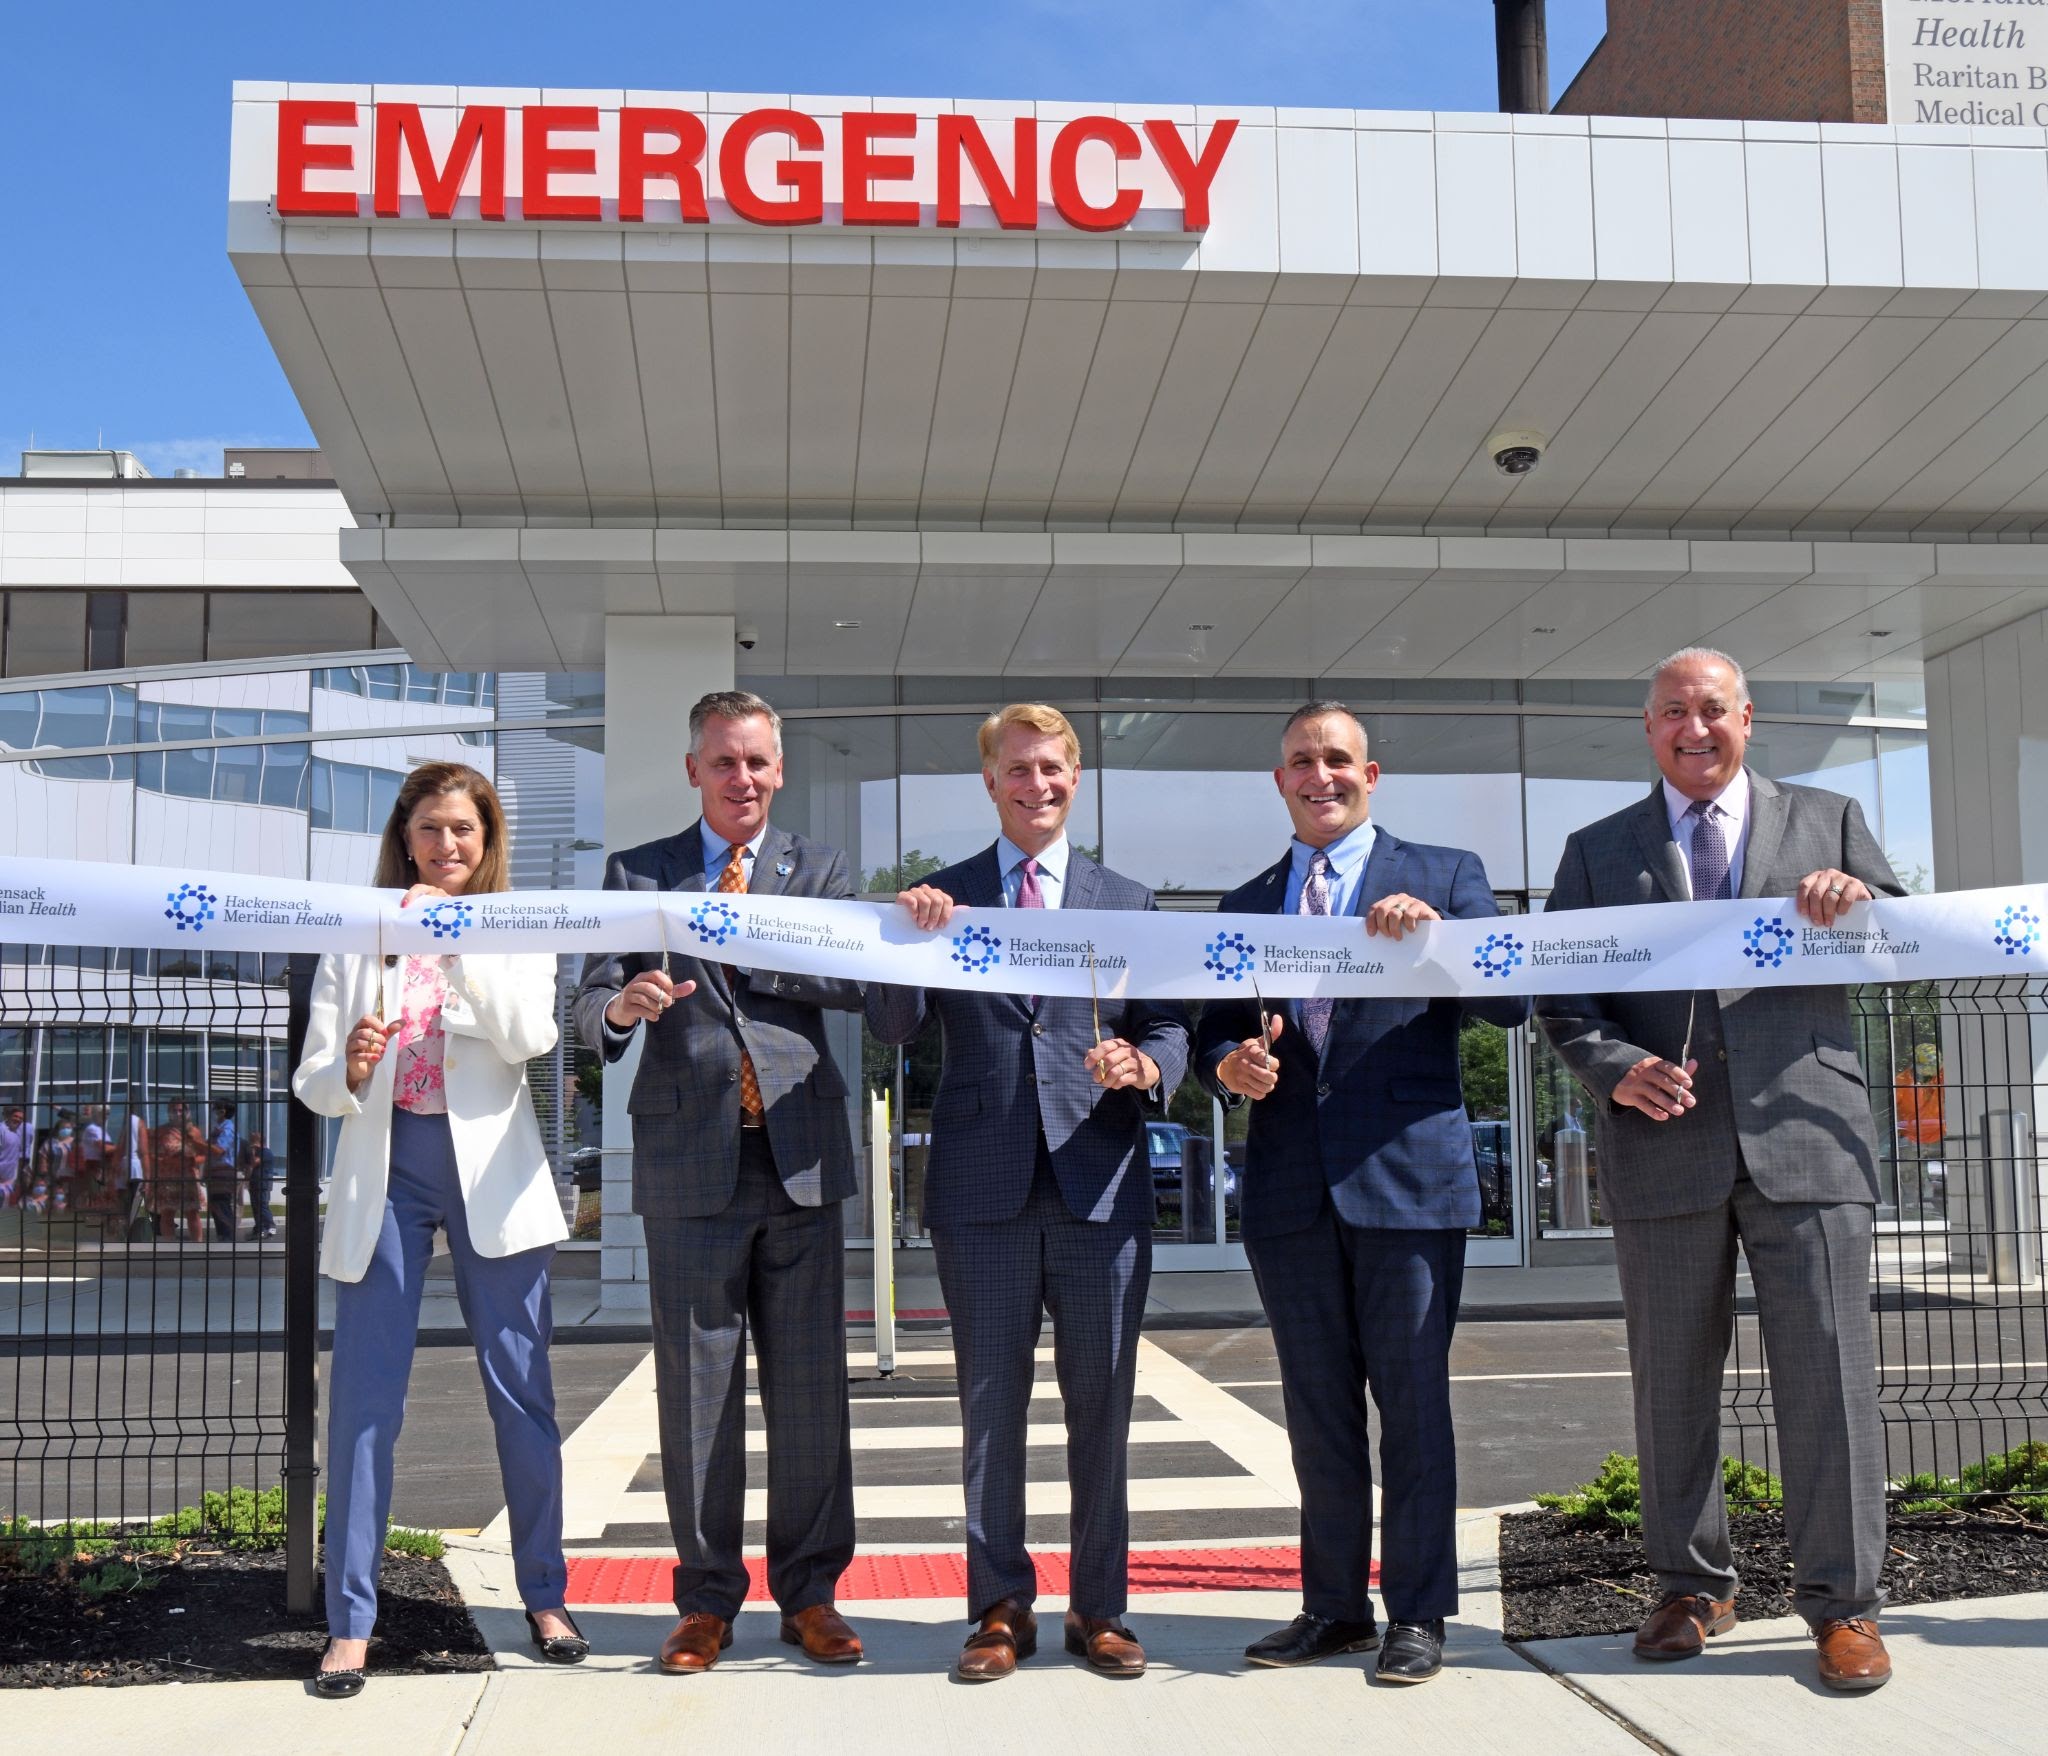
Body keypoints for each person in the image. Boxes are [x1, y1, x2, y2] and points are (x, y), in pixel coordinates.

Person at [1537, 646, 1902, 1693]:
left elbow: (1895, 934)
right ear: (1645, 729)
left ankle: (1842, 1607)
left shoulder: (1825, 819)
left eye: (1711, 709)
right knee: (1669, 1385)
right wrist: (1613, 1069)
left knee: (1829, 1383)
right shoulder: (1596, 849)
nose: (1691, 728)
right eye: (1669, 714)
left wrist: (1858, 898)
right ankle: (1686, 1587)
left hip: (1808, 1137)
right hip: (1662, 1146)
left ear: (1747, 717)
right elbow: (1561, 996)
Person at [1194, 703, 1525, 1685]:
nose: (1319, 774)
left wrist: (1436, 942)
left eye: (1336, 758)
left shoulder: (1444, 876)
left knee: (1412, 1404)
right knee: (1317, 1409)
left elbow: (1508, 1001)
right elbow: (1212, 1031)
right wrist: (1228, 1065)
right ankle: (1333, 1605)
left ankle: (1416, 1614)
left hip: (1407, 1186)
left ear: (1369, 774)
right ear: (1279, 780)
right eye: (1301, 761)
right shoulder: (1247, 901)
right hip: (1290, 1190)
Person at [868, 703, 1190, 1682]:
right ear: (989, 782)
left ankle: (1100, 1608)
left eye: (1051, 767)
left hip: (1100, 1183)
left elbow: (1172, 1024)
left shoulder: (1126, 900)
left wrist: (1145, 1062)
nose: (1035, 783)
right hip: (981, 1188)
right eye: (1017, 769)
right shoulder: (939, 895)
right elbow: (889, 1024)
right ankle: (998, 1605)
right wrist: (906, 942)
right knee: (989, 1406)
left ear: (1075, 777)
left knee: (1101, 1407)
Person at [573, 690, 865, 1676]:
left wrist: (748, 939)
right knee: (695, 1396)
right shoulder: (636, 872)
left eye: (758, 763)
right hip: (688, 1160)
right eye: (724, 762)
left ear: (778, 770)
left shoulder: (819, 868)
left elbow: (851, 978)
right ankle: (703, 1602)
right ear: (693, 769)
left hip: (800, 1158)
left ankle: (811, 1595)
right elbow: (584, 1004)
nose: (743, 779)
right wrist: (618, 1004)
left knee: (811, 1393)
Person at [294, 759, 585, 1698]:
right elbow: (314, 1083)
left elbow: (530, 1039)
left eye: (465, 829)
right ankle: (350, 1625)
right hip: (387, 1177)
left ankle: (545, 1595)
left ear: (488, 838)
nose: (448, 845)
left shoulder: (514, 927)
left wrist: (455, 950)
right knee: (366, 1403)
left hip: (490, 1180)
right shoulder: (359, 934)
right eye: (430, 829)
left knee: (521, 1392)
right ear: (404, 837)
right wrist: (351, 1062)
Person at [151, 1101, 208, 1243]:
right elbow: (150, 1154)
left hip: (188, 1177)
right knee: (167, 1213)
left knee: (192, 1212)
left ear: (186, 1112)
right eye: (174, 1110)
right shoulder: (161, 1131)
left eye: (181, 1110)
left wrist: (194, 1161)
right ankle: (169, 1245)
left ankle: (197, 1245)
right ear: (168, 1112)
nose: (177, 1113)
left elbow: (204, 1154)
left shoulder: (193, 1132)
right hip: (167, 1177)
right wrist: (162, 1160)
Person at [206, 1102, 240, 1241]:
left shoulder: (227, 1130)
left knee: (222, 1204)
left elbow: (219, 1150)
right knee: (216, 1204)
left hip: (224, 1172)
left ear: (223, 1112)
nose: (213, 1112)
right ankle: (223, 1234)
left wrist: (199, 1143)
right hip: (216, 1172)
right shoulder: (219, 1129)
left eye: (216, 1109)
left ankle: (227, 1235)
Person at [241, 1128, 278, 1240]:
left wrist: (253, 1148)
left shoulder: (266, 1152)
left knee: (262, 1206)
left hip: (263, 1184)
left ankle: (270, 1226)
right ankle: (259, 1228)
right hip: (255, 1183)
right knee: (256, 1207)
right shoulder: (258, 1152)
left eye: (253, 1139)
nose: (250, 1142)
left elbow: (254, 1162)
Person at [0, 1102, 29, 1207]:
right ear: (8, 1116)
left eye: (21, 1118)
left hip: (9, 1180)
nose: (18, 1119)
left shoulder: (16, 1133)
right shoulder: (1, 1130)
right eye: (15, 1116)